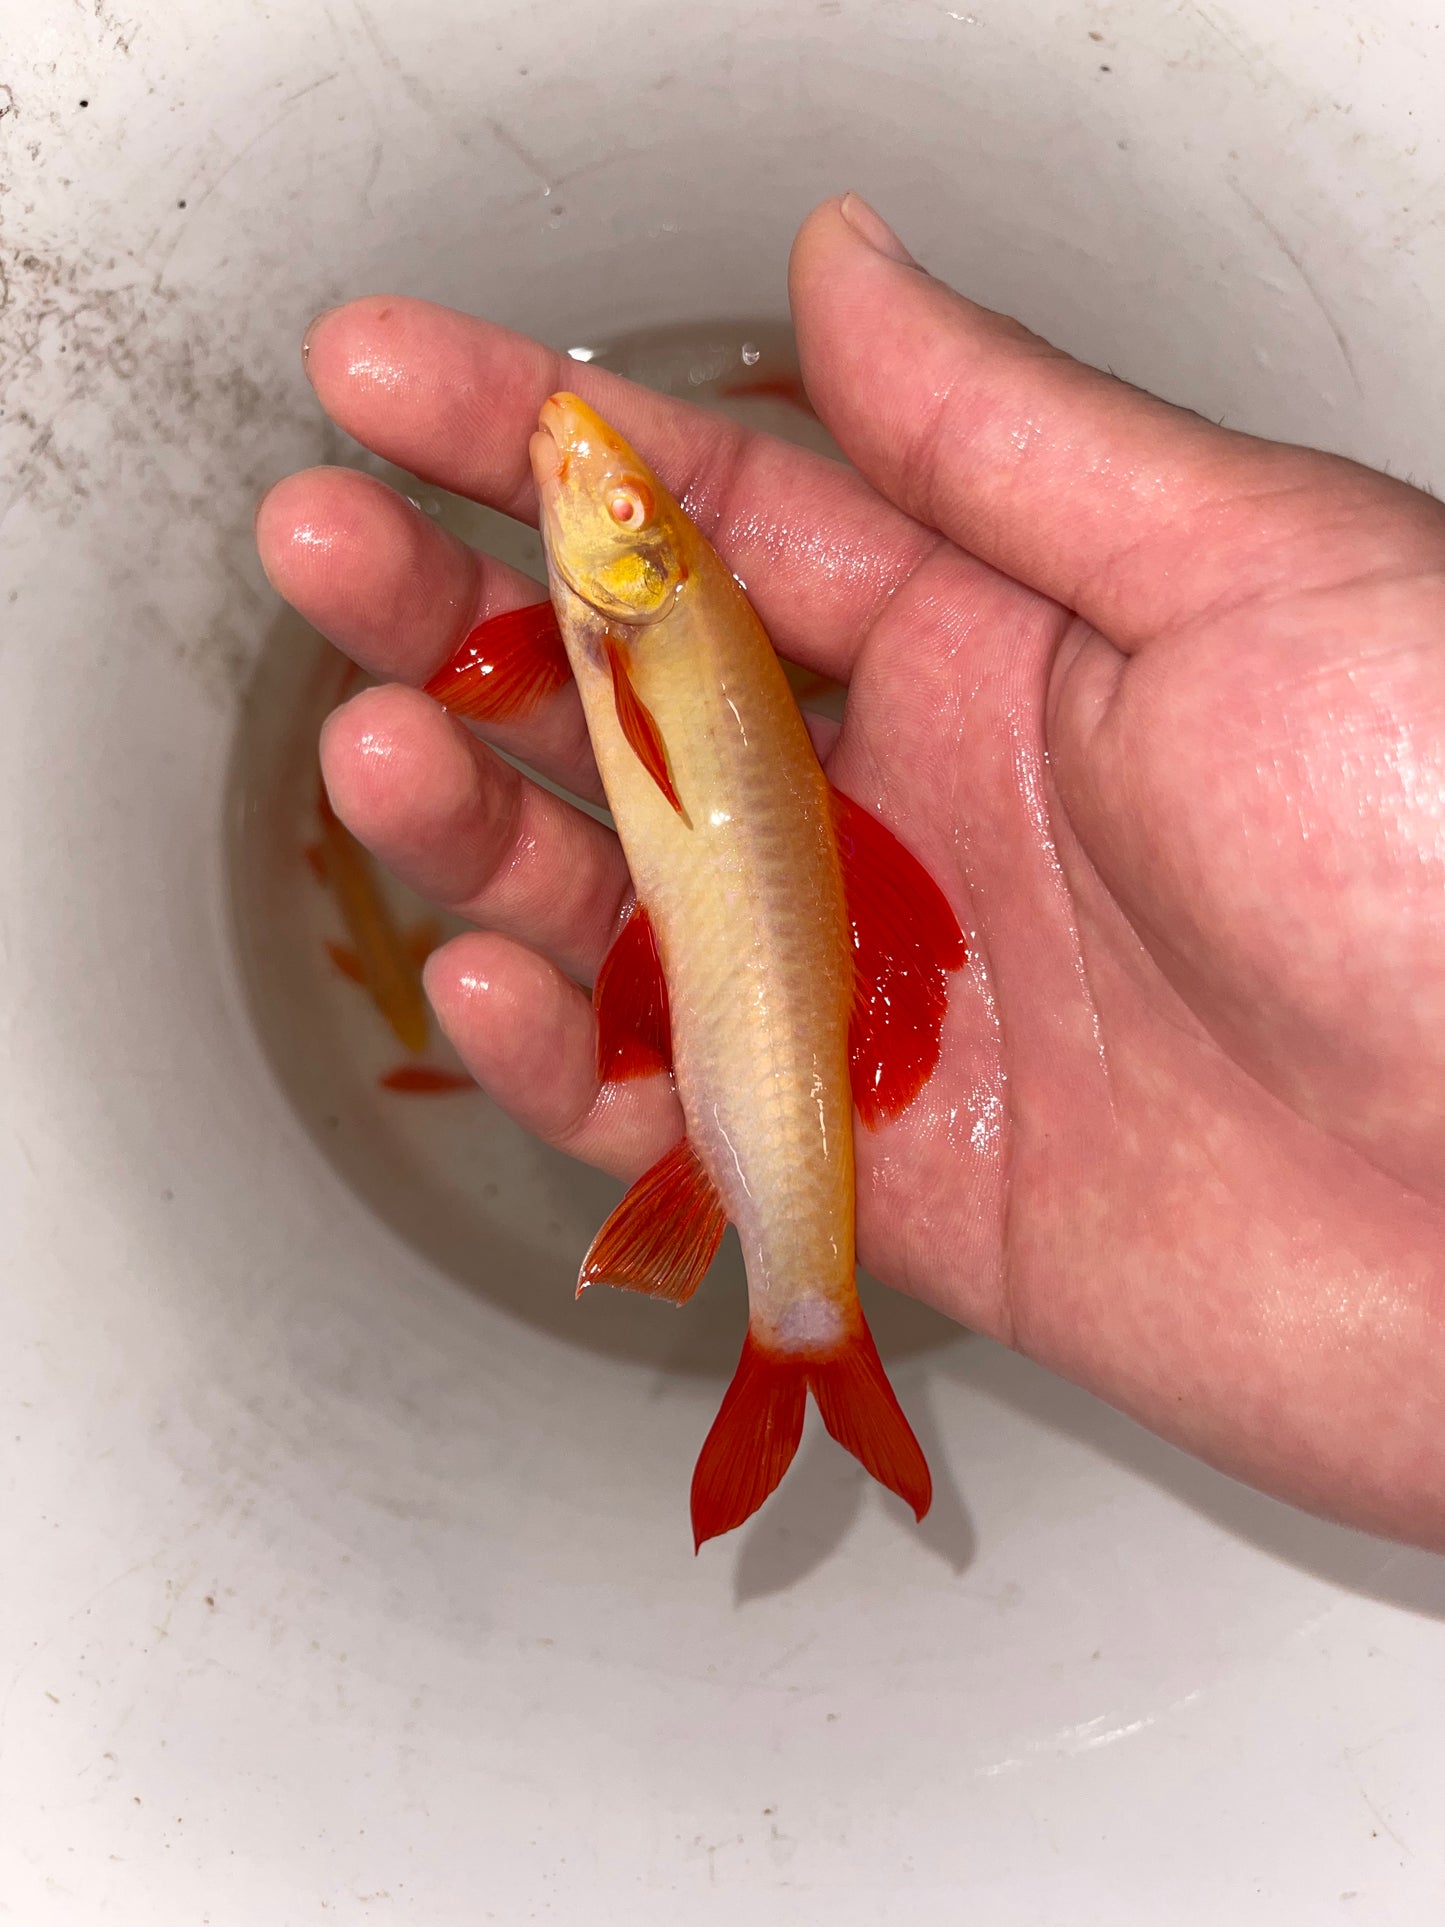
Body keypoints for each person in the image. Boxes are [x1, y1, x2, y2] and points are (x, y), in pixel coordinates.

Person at [256, 194, 1445, 1552]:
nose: (575, 466)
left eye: (617, 498)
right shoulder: (620, 615)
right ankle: (793, 1317)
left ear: (640, 555)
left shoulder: (623, 614)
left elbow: (516, 670)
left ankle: (800, 1327)